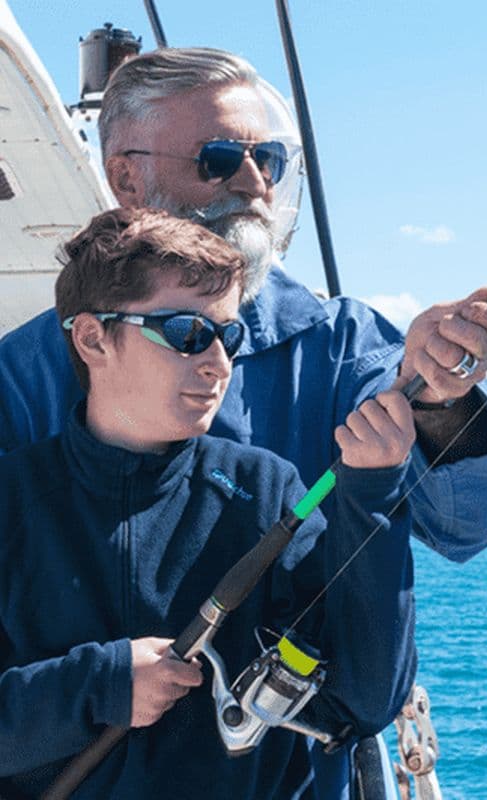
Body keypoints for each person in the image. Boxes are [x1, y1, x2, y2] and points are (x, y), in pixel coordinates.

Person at [0, 47, 487, 795]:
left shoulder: (342, 346)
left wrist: (441, 397)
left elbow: (469, 521)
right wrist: (100, 682)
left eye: (269, 160)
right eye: (218, 160)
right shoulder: (17, 378)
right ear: (125, 177)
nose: (253, 184)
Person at [0, 208, 417, 799]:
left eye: (229, 335)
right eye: (187, 334)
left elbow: (365, 701)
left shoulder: (268, 492)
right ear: (93, 338)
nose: (219, 363)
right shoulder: (10, 502)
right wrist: (101, 684)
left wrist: (374, 494)